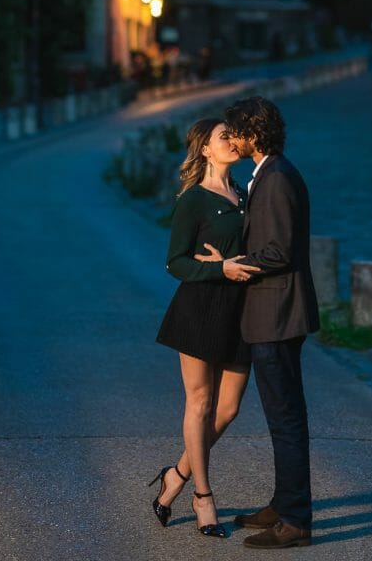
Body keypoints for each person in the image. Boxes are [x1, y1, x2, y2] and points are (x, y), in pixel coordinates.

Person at [152, 117, 261, 537]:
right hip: (199, 307)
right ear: (205, 151)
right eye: (223, 137)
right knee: (200, 403)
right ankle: (202, 495)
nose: (232, 141)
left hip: (240, 311)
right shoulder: (193, 200)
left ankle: (175, 474)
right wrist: (218, 267)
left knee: (228, 409)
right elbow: (174, 262)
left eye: (234, 135)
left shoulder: (245, 194)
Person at [221, 96, 319, 549]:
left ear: (253, 133)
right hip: (273, 313)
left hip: (277, 314)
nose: (231, 139)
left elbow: (278, 252)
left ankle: (295, 521)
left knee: (285, 420)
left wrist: (234, 263)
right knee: (282, 417)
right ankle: (283, 503)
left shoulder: (276, 178)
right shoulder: (269, 174)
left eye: (235, 131)